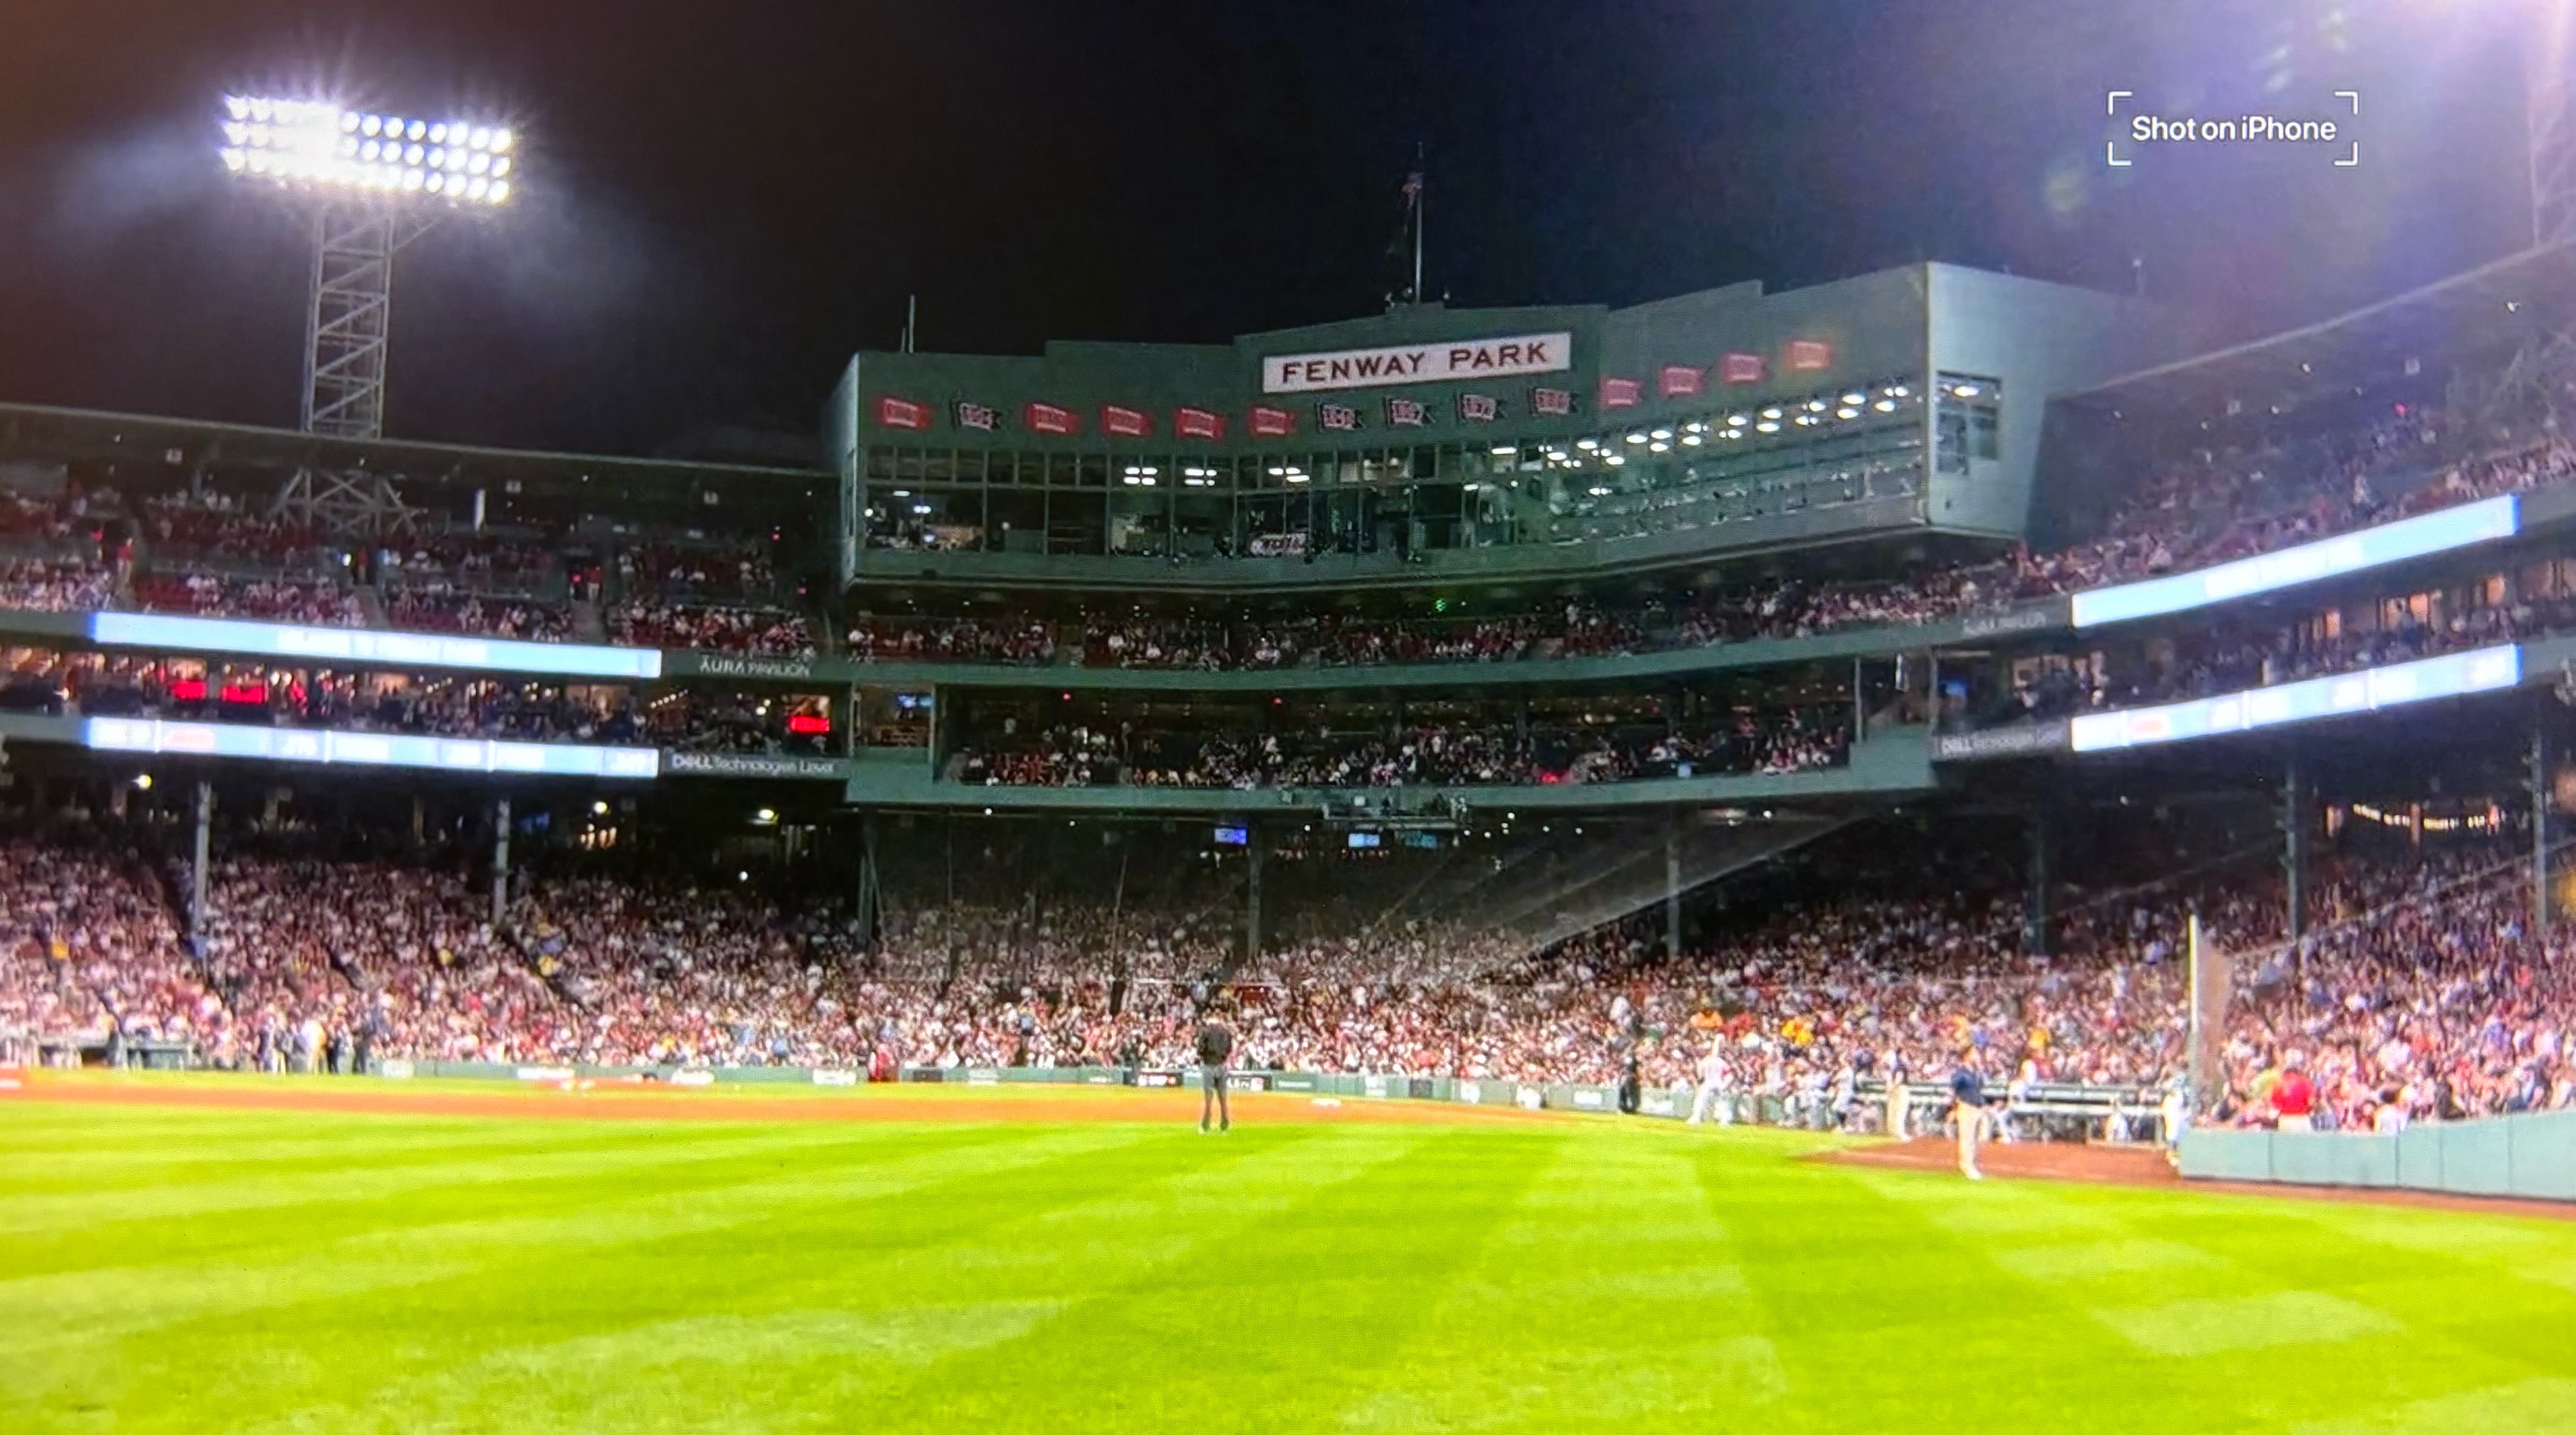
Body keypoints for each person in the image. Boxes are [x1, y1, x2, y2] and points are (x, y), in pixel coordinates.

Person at [1949, 1054, 1988, 1180]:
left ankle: (1972, 1163)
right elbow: (1952, 1088)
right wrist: (1953, 1108)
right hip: (1966, 1106)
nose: (1977, 1056)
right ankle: (1967, 1165)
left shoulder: (1976, 1073)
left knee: (1978, 1137)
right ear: (1967, 1056)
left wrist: (1980, 1070)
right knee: (1968, 1137)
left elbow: (1983, 1086)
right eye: (1974, 1053)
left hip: (1977, 1107)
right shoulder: (1962, 1073)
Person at [1195, 1011, 1233, 1134]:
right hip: (1221, 1066)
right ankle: (1225, 1126)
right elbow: (1230, 1048)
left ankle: (1205, 1126)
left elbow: (1200, 1049)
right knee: (1223, 1098)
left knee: (1208, 1099)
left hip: (1209, 1065)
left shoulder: (1206, 1031)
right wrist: (1223, 1057)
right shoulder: (1226, 1031)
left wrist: (1204, 1056)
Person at [1689, 1045, 1733, 1126]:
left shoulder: (1704, 1062)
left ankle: (1696, 1117)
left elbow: (1700, 1077)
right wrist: (1725, 1085)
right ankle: (1725, 1120)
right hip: (1719, 1083)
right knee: (1723, 1101)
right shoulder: (1721, 1061)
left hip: (1708, 1083)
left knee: (1701, 1100)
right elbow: (1730, 1074)